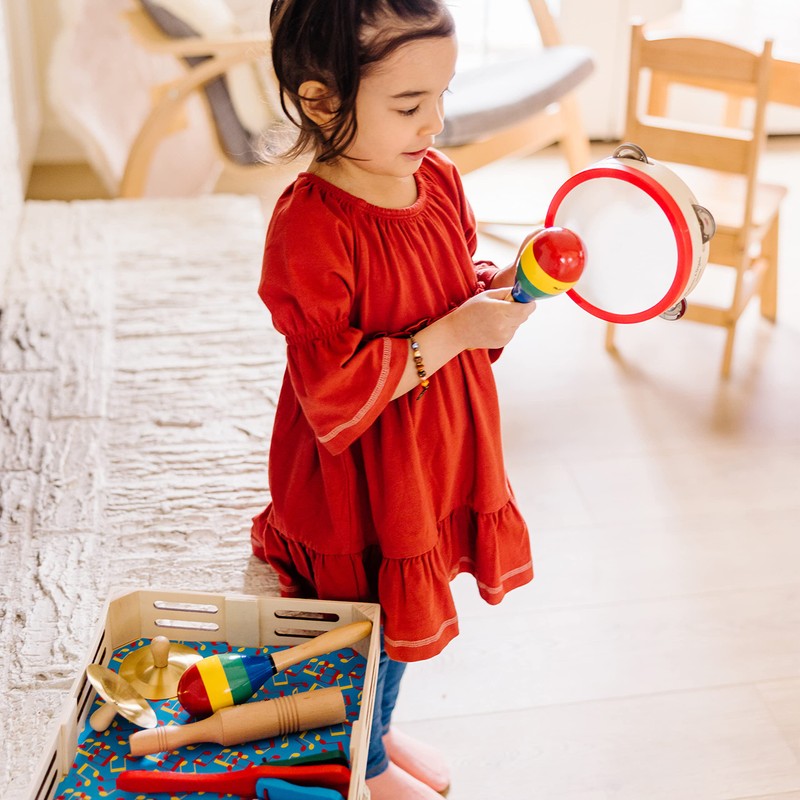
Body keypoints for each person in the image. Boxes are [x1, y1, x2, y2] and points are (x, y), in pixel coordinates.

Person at [252, 1, 538, 797]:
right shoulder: (311, 226)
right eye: (409, 105)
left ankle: (374, 731)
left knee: (403, 613)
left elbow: (450, 282)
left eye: (442, 95)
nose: (434, 123)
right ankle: (362, 763)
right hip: (359, 479)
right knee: (362, 628)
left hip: (428, 455)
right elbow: (331, 390)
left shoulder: (436, 179)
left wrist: (501, 290)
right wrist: (455, 331)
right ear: (321, 102)